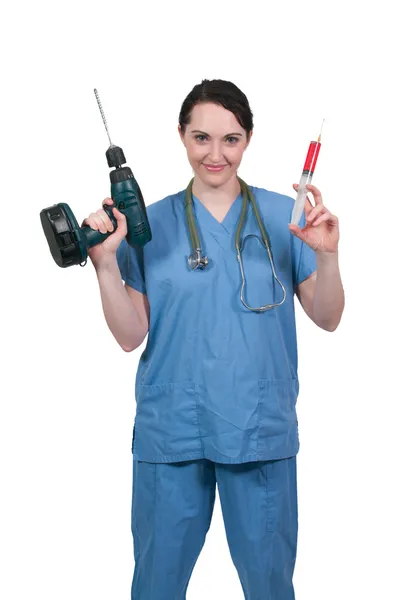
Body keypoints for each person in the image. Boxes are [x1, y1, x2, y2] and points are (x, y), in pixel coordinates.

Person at [82, 79, 345, 600]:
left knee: (270, 588)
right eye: (201, 138)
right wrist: (105, 263)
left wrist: (329, 256)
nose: (215, 154)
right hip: (173, 432)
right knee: (156, 587)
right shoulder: (146, 226)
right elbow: (131, 335)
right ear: (181, 136)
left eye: (231, 139)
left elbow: (328, 316)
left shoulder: (287, 220)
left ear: (248, 139)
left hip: (259, 429)